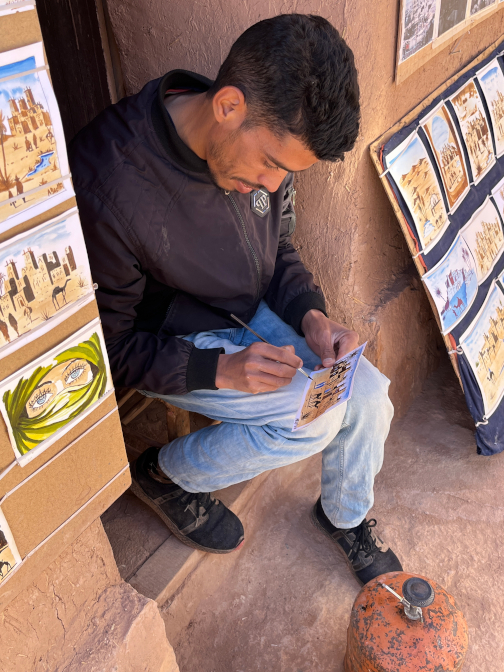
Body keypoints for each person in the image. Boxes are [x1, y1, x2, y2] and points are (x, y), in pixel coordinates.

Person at [70, 14, 402, 585]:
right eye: (273, 164)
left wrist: (312, 316)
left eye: (287, 174)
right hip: (177, 342)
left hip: (250, 313)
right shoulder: (110, 182)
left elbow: (279, 251)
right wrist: (220, 369)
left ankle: (344, 515)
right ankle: (164, 475)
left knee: (370, 395)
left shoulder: (257, 141)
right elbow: (111, 349)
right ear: (227, 105)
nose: (275, 186)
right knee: (312, 423)